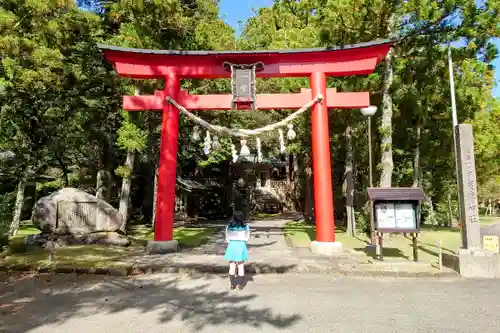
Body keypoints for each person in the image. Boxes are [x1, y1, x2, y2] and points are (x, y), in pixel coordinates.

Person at [224, 211, 250, 290]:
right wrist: (243, 241)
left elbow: (227, 237)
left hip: (232, 245)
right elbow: (247, 237)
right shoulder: (246, 227)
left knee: (232, 266)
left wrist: (231, 242)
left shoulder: (229, 226)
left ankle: (232, 285)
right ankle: (241, 285)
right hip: (241, 245)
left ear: (233, 217)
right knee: (240, 266)